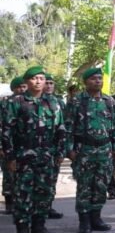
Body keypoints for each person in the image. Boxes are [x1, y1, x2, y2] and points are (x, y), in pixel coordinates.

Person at [1, 66, 66, 233]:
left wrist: (60, 152)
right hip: (23, 156)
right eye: (34, 78)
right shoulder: (16, 102)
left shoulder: (52, 102)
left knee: (43, 193)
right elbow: (7, 131)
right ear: (27, 81)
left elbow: (60, 128)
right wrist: (10, 157)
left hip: (46, 156)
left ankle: (39, 229)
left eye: (41, 78)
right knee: (23, 194)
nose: (38, 81)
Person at [65, 67, 115, 233]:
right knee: (84, 186)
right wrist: (69, 149)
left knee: (101, 184)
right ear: (85, 82)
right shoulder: (77, 101)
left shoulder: (109, 101)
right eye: (93, 79)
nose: (97, 81)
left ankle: (96, 218)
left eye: (99, 78)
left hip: (104, 150)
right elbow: (68, 127)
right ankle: (84, 220)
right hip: (84, 150)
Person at [1, 76, 26, 214]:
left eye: (24, 87)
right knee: (9, 175)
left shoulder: (28, 102)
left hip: (24, 147)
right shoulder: (5, 103)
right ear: (13, 89)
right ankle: (9, 202)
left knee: (21, 176)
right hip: (8, 145)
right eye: (19, 87)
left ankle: (20, 202)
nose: (22, 89)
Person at [43, 73, 66, 219]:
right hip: (36, 149)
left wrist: (62, 149)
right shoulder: (34, 101)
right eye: (47, 82)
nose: (49, 86)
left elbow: (63, 127)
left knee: (52, 179)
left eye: (52, 83)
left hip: (53, 149)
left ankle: (48, 206)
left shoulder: (59, 102)